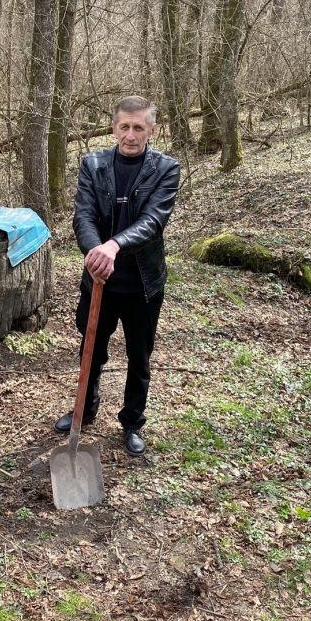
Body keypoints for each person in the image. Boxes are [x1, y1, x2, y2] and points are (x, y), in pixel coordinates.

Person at [52, 95, 180, 456]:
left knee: (139, 356)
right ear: (114, 128)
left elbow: (153, 221)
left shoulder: (166, 169)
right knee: (91, 350)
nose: (130, 134)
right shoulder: (93, 164)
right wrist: (96, 251)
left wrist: (114, 246)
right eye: (125, 126)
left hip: (142, 284)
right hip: (99, 281)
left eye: (139, 127)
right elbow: (83, 215)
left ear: (152, 131)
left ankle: (132, 421)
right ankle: (84, 409)